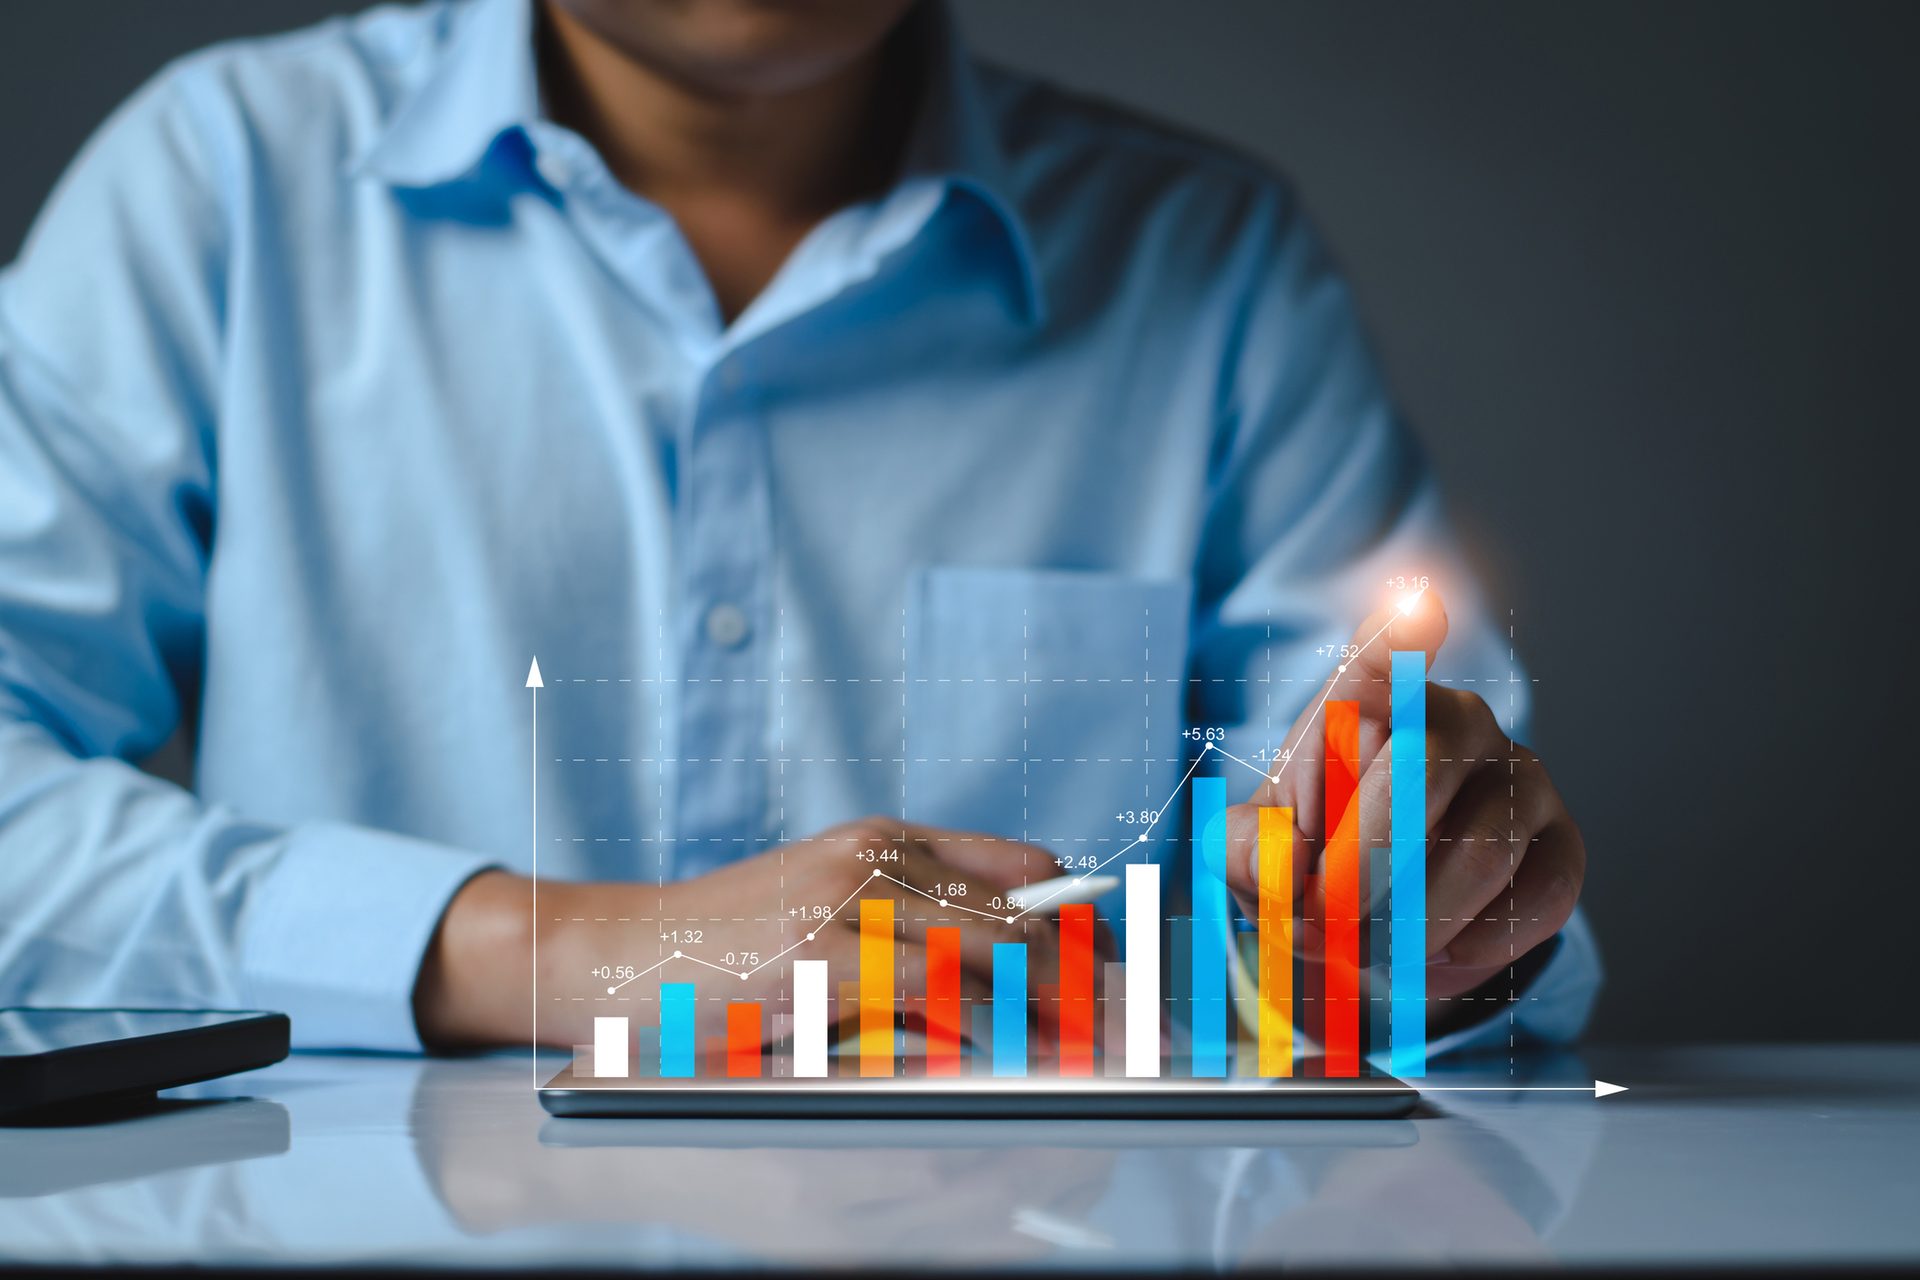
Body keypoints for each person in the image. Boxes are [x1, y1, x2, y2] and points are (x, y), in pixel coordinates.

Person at [0, 0, 1598, 1057]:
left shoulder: (1209, 264)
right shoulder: (220, 187)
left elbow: (1427, 901)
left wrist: (1430, 939)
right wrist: (581, 958)